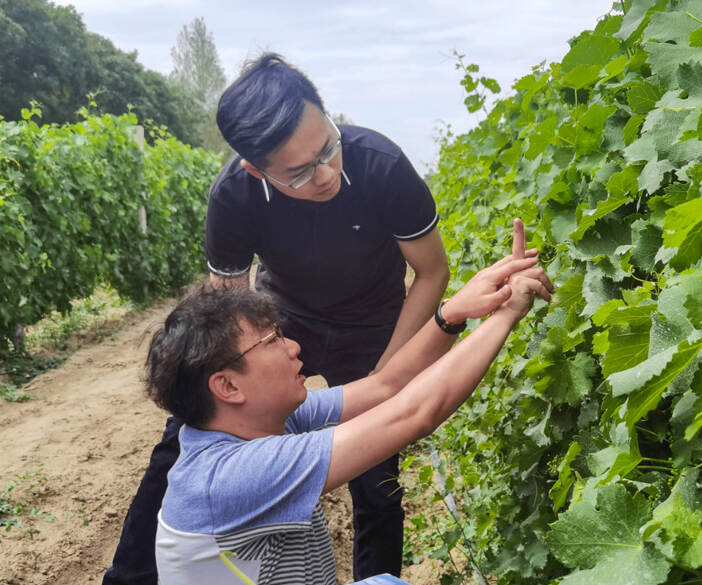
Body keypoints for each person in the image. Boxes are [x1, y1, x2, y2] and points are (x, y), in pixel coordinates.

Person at [103, 53, 449, 584]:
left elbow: (431, 273)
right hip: (286, 318)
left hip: (374, 323)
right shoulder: (234, 197)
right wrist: (246, 381)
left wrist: (385, 375)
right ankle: (127, 578)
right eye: (300, 172)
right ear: (255, 168)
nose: (327, 173)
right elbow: (225, 318)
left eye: (328, 147)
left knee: (377, 472)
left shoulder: (381, 165)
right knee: (189, 432)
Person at [151, 220, 553, 584]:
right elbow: (413, 413)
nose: (292, 346)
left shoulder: (264, 422)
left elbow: (385, 386)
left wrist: (452, 312)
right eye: (272, 340)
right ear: (228, 387)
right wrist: (505, 316)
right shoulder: (230, 478)